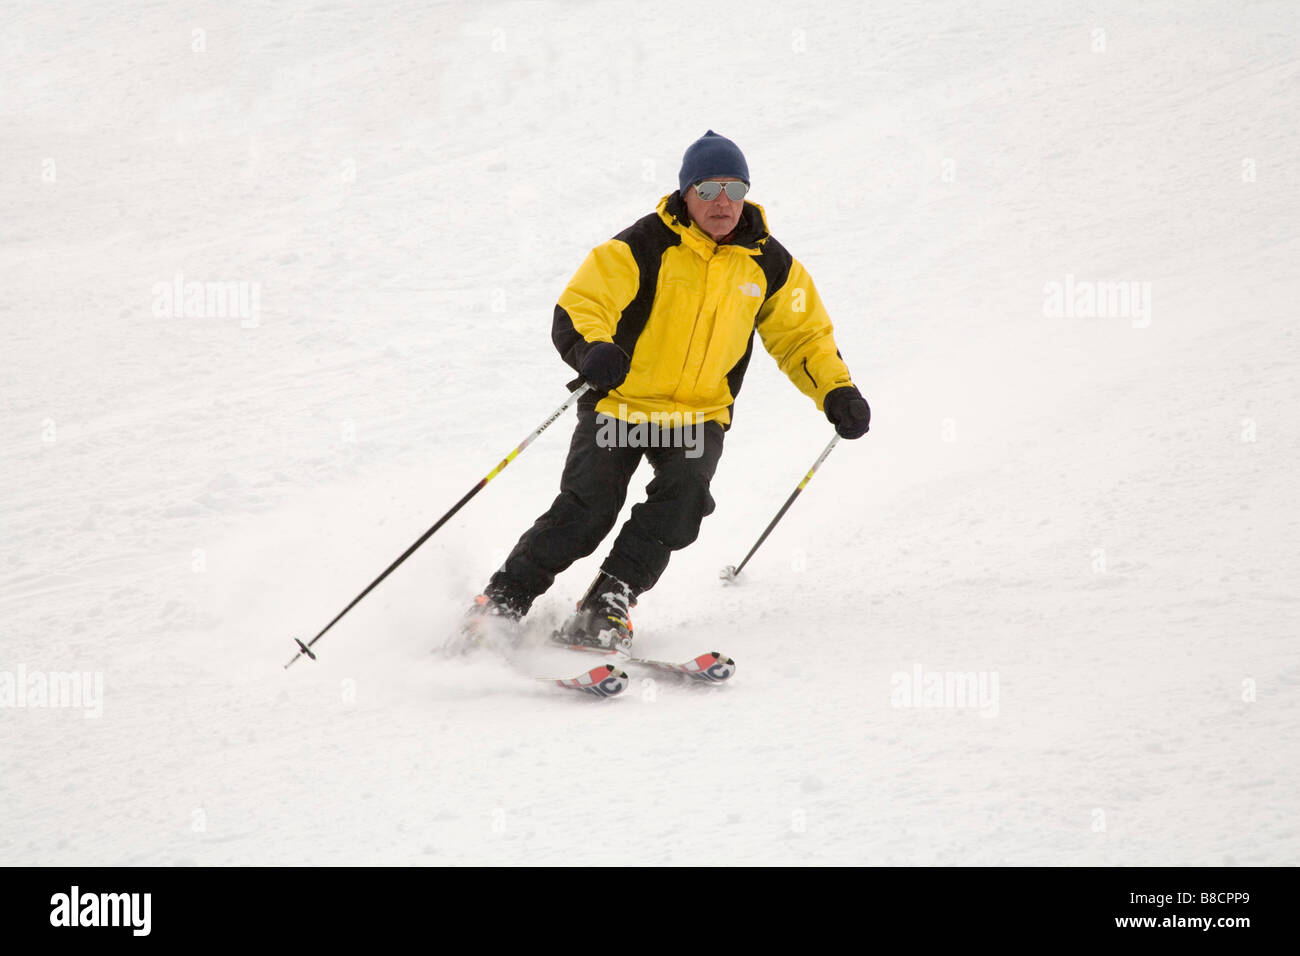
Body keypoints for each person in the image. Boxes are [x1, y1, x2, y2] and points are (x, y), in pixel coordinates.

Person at [460, 130, 870, 654]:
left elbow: (803, 335)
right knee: (587, 512)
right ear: (686, 192)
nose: (722, 201)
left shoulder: (768, 262)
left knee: (681, 504)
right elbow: (583, 305)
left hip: (699, 415)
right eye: (708, 188)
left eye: (733, 187)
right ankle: (500, 603)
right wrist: (593, 351)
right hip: (621, 404)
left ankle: (608, 602)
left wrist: (837, 392)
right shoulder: (643, 244)